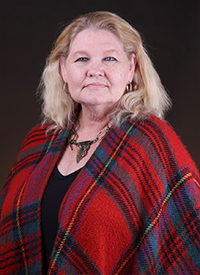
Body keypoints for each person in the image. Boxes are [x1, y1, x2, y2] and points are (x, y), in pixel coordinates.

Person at [0, 11, 200, 275]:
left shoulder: (152, 141)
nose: (95, 70)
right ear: (64, 70)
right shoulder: (39, 141)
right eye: (82, 58)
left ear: (131, 69)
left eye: (110, 58)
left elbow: (188, 239)